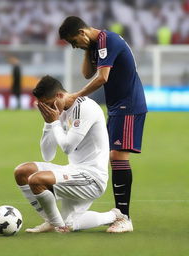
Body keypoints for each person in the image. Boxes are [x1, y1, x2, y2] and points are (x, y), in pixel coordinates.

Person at [59, 16, 148, 233]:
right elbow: (87, 73)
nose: (74, 47)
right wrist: (87, 48)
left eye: (74, 41)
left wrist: (75, 96)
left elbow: (102, 78)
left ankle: (124, 218)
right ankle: (120, 215)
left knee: (118, 156)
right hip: (118, 106)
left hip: (129, 105)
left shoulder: (108, 40)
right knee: (113, 156)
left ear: (82, 32)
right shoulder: (98, 44)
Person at [14, 75, 127, 233]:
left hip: (92, 178)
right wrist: (48, 123)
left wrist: (54, 122)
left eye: (48, 104)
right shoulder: (58, 110)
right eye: (44, 106)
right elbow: (48, 155)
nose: (48, 109)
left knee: (36, 180)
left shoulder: (85, 107)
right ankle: (54, 221)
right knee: (22, 172)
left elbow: (67, 147)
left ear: (60, 95)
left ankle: (112, 216)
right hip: (73, 171)